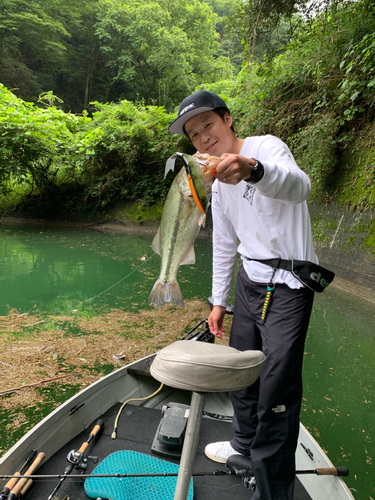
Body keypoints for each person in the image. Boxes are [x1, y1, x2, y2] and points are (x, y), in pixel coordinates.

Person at [169, 90, 317, 500]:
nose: (203, 139)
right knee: (241, 373)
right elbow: (224, 244)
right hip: (249, 284)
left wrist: (253, 170)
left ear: (227, 119)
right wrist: (219, 302)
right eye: (194, 135)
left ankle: (272, 491)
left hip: (288, 287)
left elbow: (299, 186)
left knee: (277, 391)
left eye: (208, 126)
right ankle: (242, 445)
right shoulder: (214, 182)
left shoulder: (265, 148)